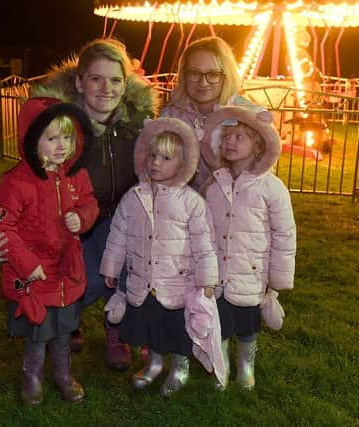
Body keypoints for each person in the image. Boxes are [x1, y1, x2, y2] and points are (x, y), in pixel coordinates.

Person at [0, 38, 160, 371]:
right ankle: (66, 320)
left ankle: (116, 331)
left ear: (126, 83)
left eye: (115, 80)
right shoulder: (58, 126)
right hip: (67, 224)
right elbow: (22, 185)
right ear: (79, 82)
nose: (106, 88)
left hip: (122, 219)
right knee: (83, 279)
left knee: (128, 271)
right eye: (95, 79)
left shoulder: (139, 125)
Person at [0, 98, 99, 404]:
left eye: (67, 137)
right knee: (38, 334)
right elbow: (1, 227)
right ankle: (32, 377)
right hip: (36, 276)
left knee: (63, 332)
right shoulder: (16, 183)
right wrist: (25, 263)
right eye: (51, 138)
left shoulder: (76, 174)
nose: (61, 146)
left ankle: (63, 376)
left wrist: (84, 217)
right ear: (31, 139)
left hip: (67, 272)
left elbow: (89, 202)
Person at [99, 117, 220, 397]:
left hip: (177, 284)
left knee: (176, 331)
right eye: (152, 155)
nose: (155, 162)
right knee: (151, 327)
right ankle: (154, 363)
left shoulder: (191, 203)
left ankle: (180, 368)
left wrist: (207, 280)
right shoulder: (134, 197)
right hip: (144, 281)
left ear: (183, 164)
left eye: (165, 158)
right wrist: (111, 267)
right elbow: (118, 234)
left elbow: (205, 245)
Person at [200, 106, 297, 390]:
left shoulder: (272, 188)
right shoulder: (214, 184)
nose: (230, 142)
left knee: (247, 323)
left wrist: (277, 278)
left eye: (240, 136)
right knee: (220, 320)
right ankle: (222, 363)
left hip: (252, 272)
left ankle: (246, 365)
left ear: (258, 146)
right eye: (227, 135)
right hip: (218, 271)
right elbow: (204, 228)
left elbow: (284, 234)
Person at [160, 36, 264, 191]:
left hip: (233, 208)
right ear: (184, 75)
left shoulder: (247, 117)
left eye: (213, 74)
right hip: (183, 208)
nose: (203, 83)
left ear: (226, 75)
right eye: (194, 73)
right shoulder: (171, 116)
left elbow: (260, 179)